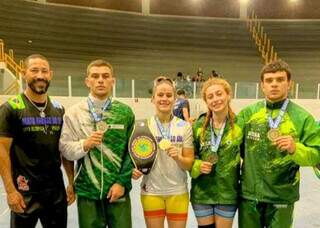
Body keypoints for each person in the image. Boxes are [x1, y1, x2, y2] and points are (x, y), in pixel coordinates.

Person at [237, 60, 320, 228]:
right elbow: (233, 147)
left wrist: (296, 148)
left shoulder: (302, 118)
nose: (274, 84)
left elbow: (316, 155)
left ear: (289, 84)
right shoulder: (248, 114)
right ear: (262, 85)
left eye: (280, 79)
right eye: (269, 80)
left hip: (282, 197)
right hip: (250, 195)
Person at [0, 54, 75, 228]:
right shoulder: (10, 108)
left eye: (44, 71)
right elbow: (2, 150)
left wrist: (71, 182)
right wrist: (10, 190)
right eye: (34, 70)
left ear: (51, 74)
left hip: (55, 192)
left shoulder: (58, 109)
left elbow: (64, 149)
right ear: (24, 73)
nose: (40, 75)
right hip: (24, 192)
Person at [59, 59, 135, 228]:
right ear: (87, 81)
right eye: (95, 76)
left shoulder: (125, 112)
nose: (100, 80)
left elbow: (131, 152)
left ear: (112, 81)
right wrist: (84, 145)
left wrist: (121, 183)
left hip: (118, 189)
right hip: (87, 190)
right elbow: (64, 148)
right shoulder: (74, 113)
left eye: (105, 76)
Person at [132, 76, 194, 228]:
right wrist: (133, 171)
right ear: (153, 99)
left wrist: (178, 157)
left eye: (168, 95)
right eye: (160, 95)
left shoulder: (184, 127)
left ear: (175, 99)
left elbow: (189, 164)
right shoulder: (143, 126)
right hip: (151, 192)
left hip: (178, 192)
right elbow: (134, 159)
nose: (164, 98)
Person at [190, 78, 242, 228]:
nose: (215, 99)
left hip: (227, 193)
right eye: (210, 97)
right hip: (202, 193)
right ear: (206, 101)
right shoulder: (199, 126)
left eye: (219, 94)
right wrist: (198, 165)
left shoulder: (240, 125)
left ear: (228, 95)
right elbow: (189, 157)